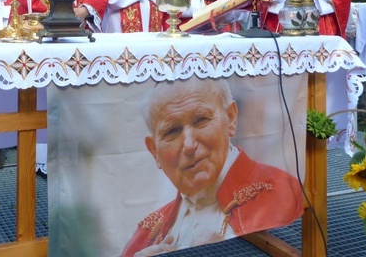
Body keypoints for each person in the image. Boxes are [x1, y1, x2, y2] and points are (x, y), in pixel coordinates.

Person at [121, 77, 303, 256]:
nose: (190, 145)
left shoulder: (281, 193)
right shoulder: (145, 236)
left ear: (231, 118)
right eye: (172, 131)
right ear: (154, 152)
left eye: (201, 120)